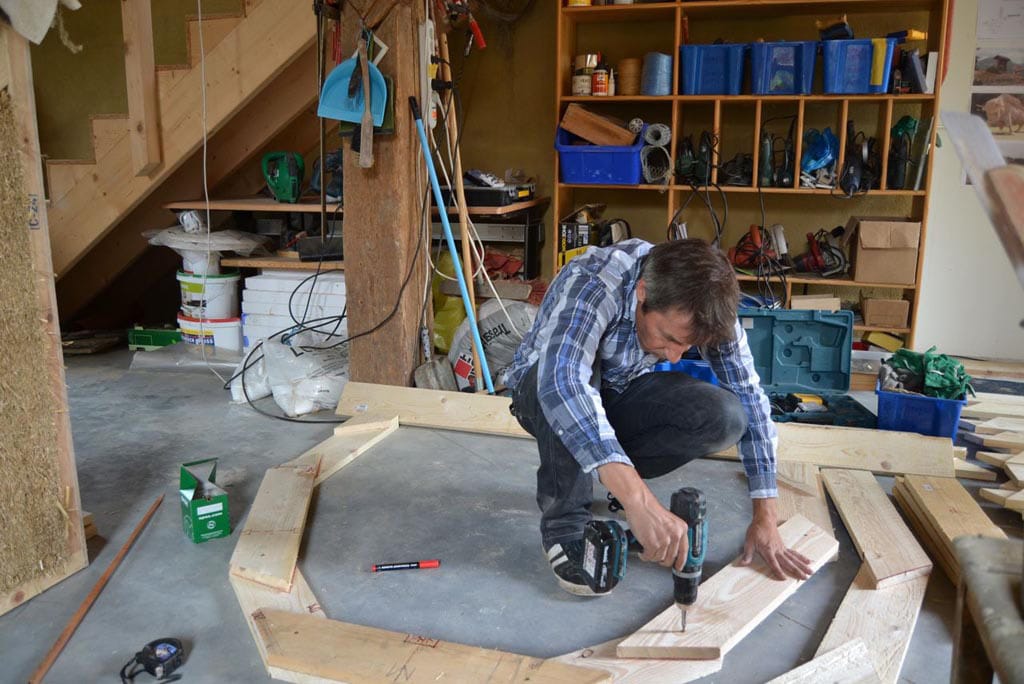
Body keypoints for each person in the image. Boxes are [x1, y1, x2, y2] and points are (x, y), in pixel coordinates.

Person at [505, 238, 812, 596]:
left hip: (619, 393)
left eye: (687, 345)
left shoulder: (708, 306)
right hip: (541, 392)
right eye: (668, 338)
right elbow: (562, 381)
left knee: (727, 415)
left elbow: (750, 398)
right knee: (576, 379)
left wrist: (765, 517)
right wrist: (639, 501)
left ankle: (616, 474)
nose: (675, 356)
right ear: (642, 292)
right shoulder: (596, 280)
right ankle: (566, 527)